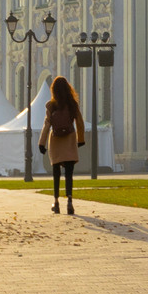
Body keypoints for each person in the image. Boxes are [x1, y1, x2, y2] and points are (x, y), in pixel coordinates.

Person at [42, 75, 86, 213]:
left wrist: (41, 143)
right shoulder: (73, 105)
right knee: (69, 173)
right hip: (69, 139)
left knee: (56, 173)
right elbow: (79, 122)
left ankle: (56, 202)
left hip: (55, 140)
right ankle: (70, 202)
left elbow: (47, 124)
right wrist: (81, 139)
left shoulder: (51, 105)